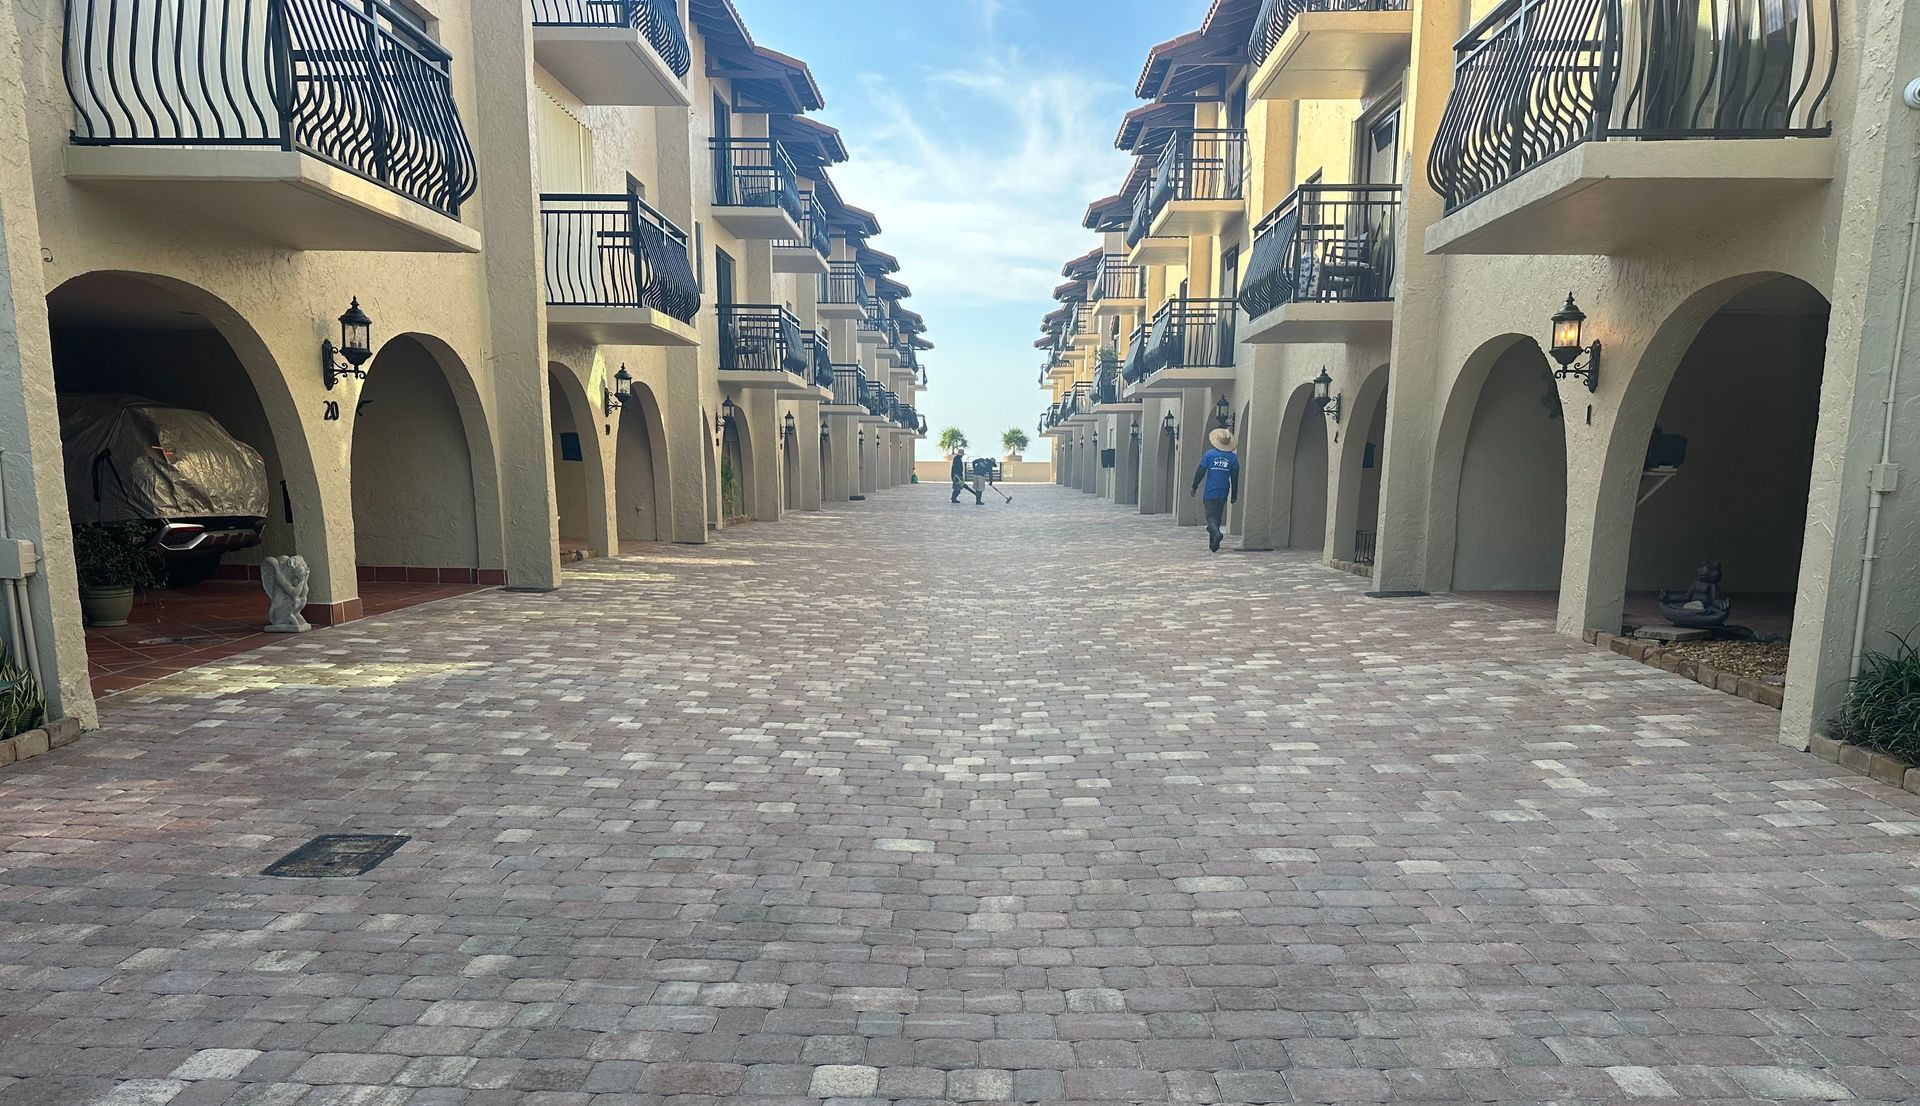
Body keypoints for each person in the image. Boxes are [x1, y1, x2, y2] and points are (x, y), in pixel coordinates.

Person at [1189, 427, 1240, 553]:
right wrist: (1234, 495)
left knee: (1210, 517)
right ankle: (1213, 544)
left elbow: (1200, 471)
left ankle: (1216, 534)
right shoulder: (1233, 459)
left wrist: (1194, 485)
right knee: (1217, 517)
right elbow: (1235, 478)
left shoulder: (1209, 455)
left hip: (1210, 492)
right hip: (1223, 492)